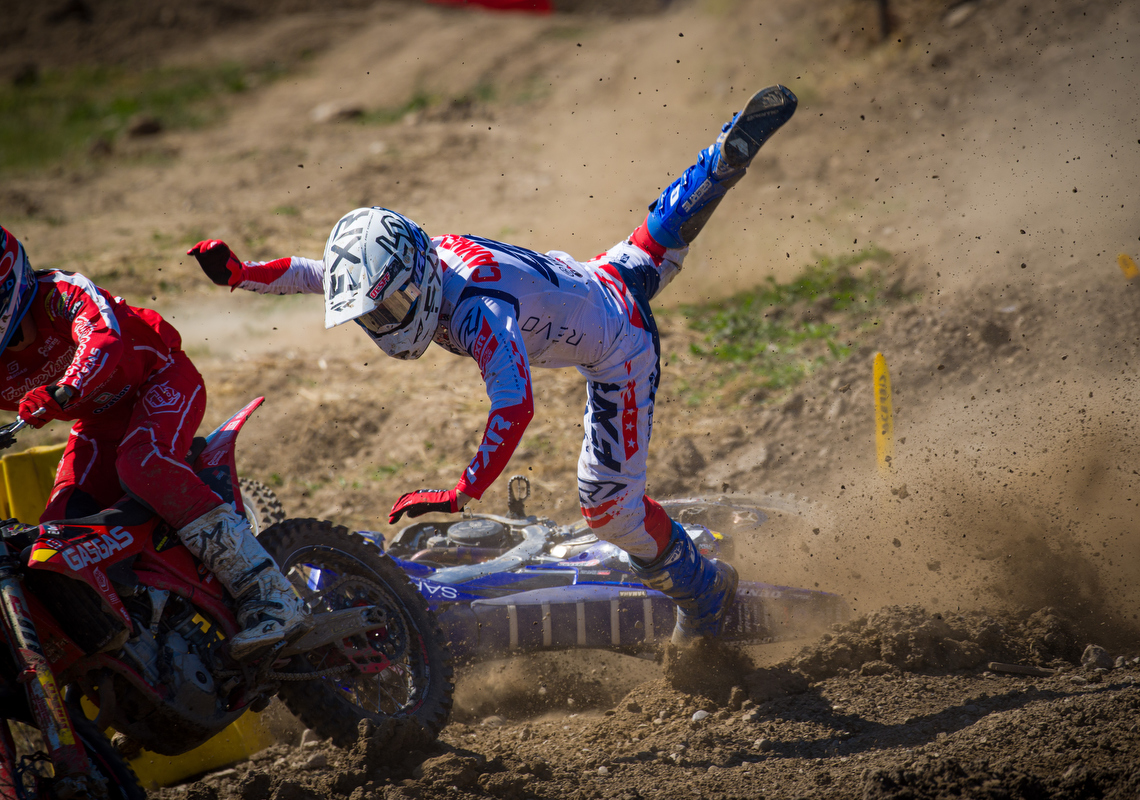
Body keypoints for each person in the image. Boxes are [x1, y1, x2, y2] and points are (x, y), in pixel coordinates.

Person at [189, 85, 797, 643]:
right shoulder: (414, 261)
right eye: (373, 315)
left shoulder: (478, 312)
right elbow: (315, 274)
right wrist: (240, 274)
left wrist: (463, 491)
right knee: (652, 244)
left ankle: (705, 589)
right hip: (600, 278)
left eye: (391, 307)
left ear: (418, 275)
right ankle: (718, 162)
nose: (385, 324)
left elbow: (515, 405)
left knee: (608, 507)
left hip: (621, 348)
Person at [0, 225, 307, 659]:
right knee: (56, 536)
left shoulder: (59, 293)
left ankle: (269, 591)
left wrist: (64, 389)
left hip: (160, 378)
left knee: (142, 462)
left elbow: (102, 337)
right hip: (98, 423)